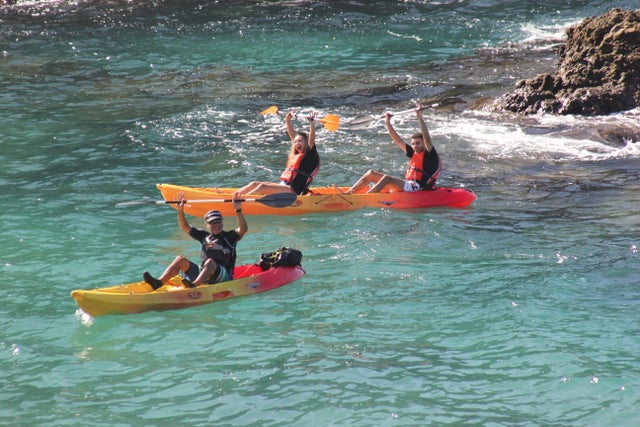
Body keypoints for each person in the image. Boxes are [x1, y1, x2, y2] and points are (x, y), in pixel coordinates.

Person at [143, 192, 248, 290]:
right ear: (206, 224)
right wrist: (180, 210)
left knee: (210, 262)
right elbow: (185, 227)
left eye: (219, 221)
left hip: (224, 277)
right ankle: (159, 283)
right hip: (205, 274)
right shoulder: (203, 236)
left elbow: (243, 229)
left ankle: (194, 285)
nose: (217, 224)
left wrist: (238, 210)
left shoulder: (229, 237)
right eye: (213, 222)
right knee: (180, 260)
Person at [346, 104, 441, 194]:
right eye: (413, 144)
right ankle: (349, 193)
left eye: (418, 143)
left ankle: (366, 198)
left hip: (417, 187)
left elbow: (427, 138)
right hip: (407, 184)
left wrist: (419, 117)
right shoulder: (413, 153)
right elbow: (398, 141)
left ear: (424, 143)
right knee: (371, 173)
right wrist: (388, 122)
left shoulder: (430, 154)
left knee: (387, 178)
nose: (415, 146)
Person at [235, 109, 320, 196]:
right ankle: (234, 195)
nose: (297, 143)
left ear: (306, 143)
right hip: (284, 186)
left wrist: (312, 125)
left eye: (300, 141)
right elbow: (293, 137)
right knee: (254, 184)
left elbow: (311, 139)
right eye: (296, 142)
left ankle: (242, 200)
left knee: (262, 187)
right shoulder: (296, 154)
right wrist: (287, 120)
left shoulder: (310, 155)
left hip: (293, 190)